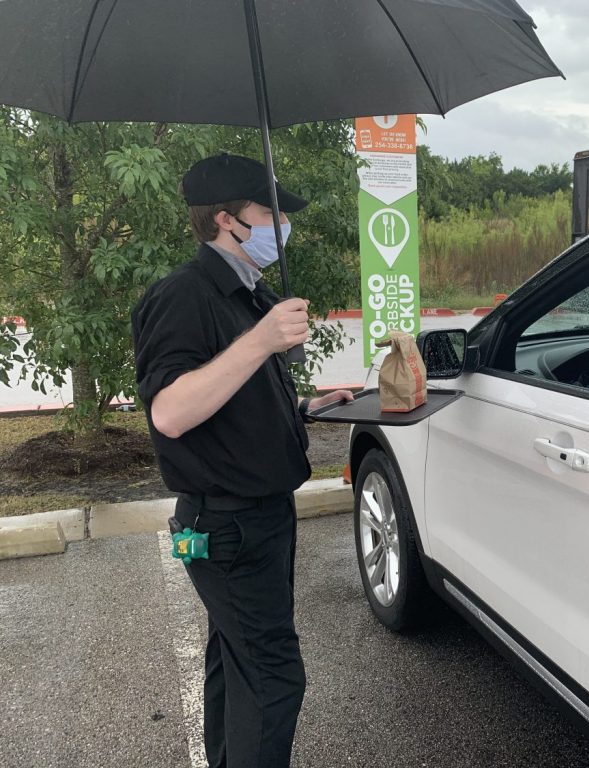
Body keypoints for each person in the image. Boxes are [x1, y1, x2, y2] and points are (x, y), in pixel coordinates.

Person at [131, 153, 353, 768]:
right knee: (273, 677)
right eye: (270, 212)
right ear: (227, 221)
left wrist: (307, 404)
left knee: (236, 664)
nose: (284, 225)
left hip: (259, 519)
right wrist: (261, 340)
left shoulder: (246, 295)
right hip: (225, 527)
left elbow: (234, 397)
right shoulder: (182, 296)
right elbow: (172, 412)